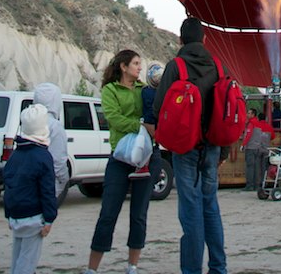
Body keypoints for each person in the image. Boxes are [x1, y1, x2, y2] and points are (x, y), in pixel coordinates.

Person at [153, 16, 227, 274]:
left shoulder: (176, 67)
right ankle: (218, 268)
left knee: (190, 210)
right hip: (213, 147)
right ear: (205, 39)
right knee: (211, 206)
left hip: (185, 150)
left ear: (180, 40)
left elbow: (158, 106)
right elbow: (225, 110)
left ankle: (191, 270)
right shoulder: (219, 67)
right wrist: (223, 149)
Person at [83, 50, 160, 274]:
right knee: (108, 213)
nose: (139, 67)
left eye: (140, 64)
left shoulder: (145, 90)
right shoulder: (109, 90)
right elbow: (114, 119)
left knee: (139, 214)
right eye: (136, 63)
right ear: (124, 67)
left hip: (147, 157)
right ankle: (92, 268)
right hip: (120, 157)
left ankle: (132, 266)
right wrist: (142, 126)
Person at [3, 102, 57, 274]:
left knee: (17, 259)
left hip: (16, 216)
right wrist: (49, 218)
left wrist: (8, 213)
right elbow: (48, 190)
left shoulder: (15, 156)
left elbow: (8, 185)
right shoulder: (43, 156)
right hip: (34, 218)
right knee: (27, 263)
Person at [33, 83, 69, 202]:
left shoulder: (27, 122)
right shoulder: (55, 126)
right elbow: (58, 160)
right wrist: (62, 181)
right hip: (47, 183)